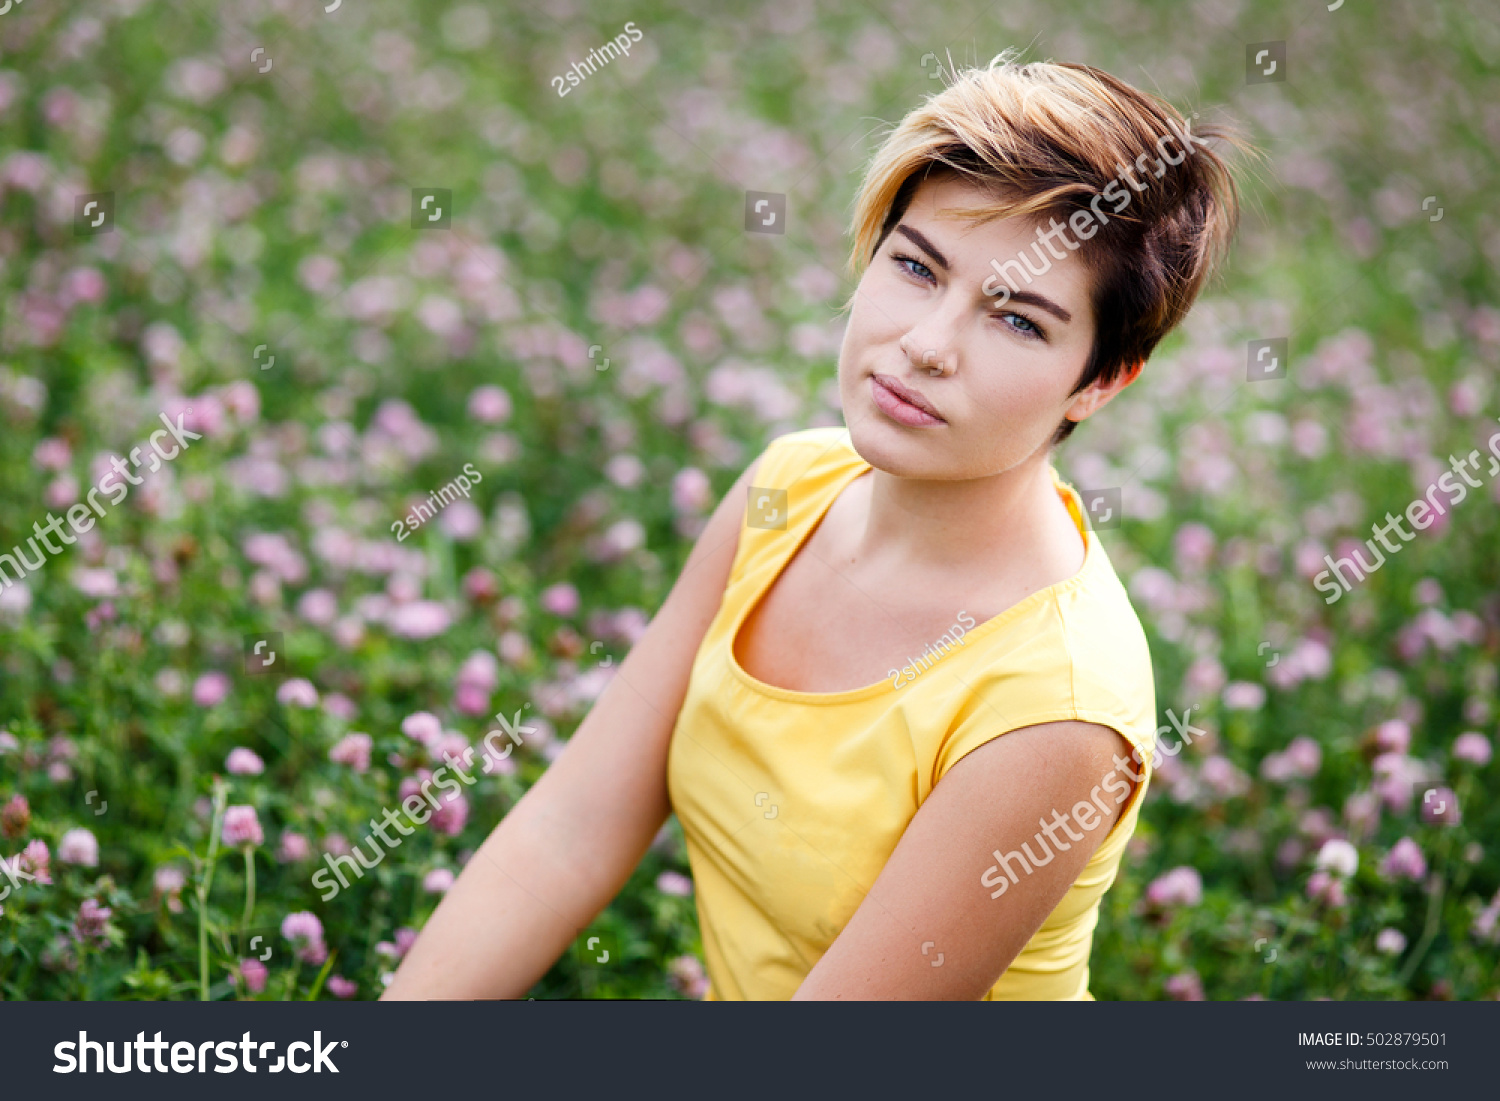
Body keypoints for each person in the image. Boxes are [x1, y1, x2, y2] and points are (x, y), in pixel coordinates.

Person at [384, 53, 1245, 1001]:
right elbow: (568, 833)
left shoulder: (1058, 706)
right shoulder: (788, 485)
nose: (926, 344)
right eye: (917, 267)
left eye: (1019, 321)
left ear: (1101, 380)